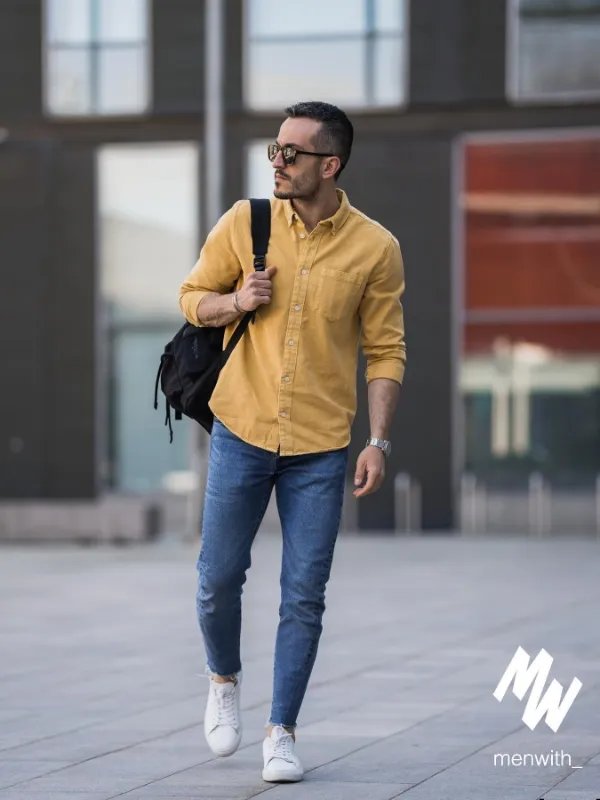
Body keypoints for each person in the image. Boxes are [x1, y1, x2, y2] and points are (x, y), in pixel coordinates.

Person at [178, 100, 406, 783]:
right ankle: (223, 679)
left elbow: (387, 348)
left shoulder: (376, 248)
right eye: (275, 150)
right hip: (242, 429)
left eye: (292, 153)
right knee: (218, 579)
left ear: (329, 165)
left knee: (304, 593)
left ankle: (283, 730)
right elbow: (192, 298)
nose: (277, 161)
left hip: (319, 447)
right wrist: (235, 303)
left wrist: (379, 442)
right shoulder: (244, 224)